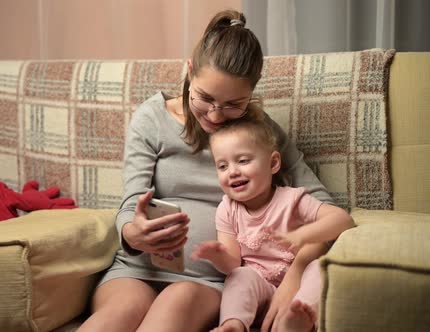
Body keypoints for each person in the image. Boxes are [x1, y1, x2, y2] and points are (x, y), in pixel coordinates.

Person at [78, 9, 334, 332]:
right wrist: (133, 232)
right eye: (205, 97)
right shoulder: (152, 119)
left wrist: (296, 272)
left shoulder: (258, 134)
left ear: (250, 94)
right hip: (136, 269)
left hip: (206, 279)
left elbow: (328, 210)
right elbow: (130, 206)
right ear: (189, 71)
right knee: (112, 320)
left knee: (170, 313)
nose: (215, 115)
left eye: (233, 105)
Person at [191, 116, 355, 332]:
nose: (232, 171)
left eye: (243, 161)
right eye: (222, 166)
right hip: (260, 290)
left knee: (319, 269)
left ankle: (296, 319)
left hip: (298, 284)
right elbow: (232, 263)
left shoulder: (292, 200)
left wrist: (304, 235)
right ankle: (233, 324)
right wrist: (217, 256)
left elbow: (343, 220)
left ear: (273, 163)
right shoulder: (227, 209)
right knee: (240, 275)